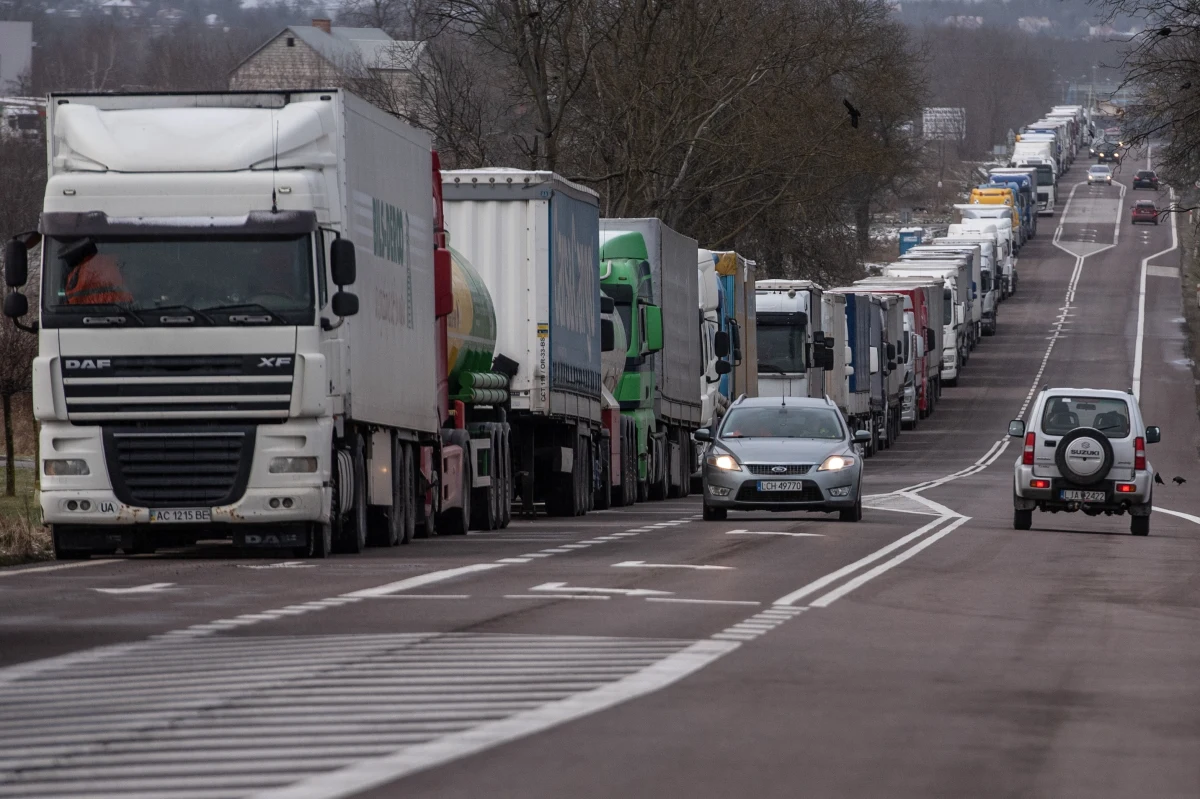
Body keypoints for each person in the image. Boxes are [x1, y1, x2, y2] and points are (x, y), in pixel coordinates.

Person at [61, 239, 133, 306]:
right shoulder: (118, 264)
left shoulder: (76, 272)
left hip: (81, 315)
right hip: (121, 313)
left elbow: (67, 300)